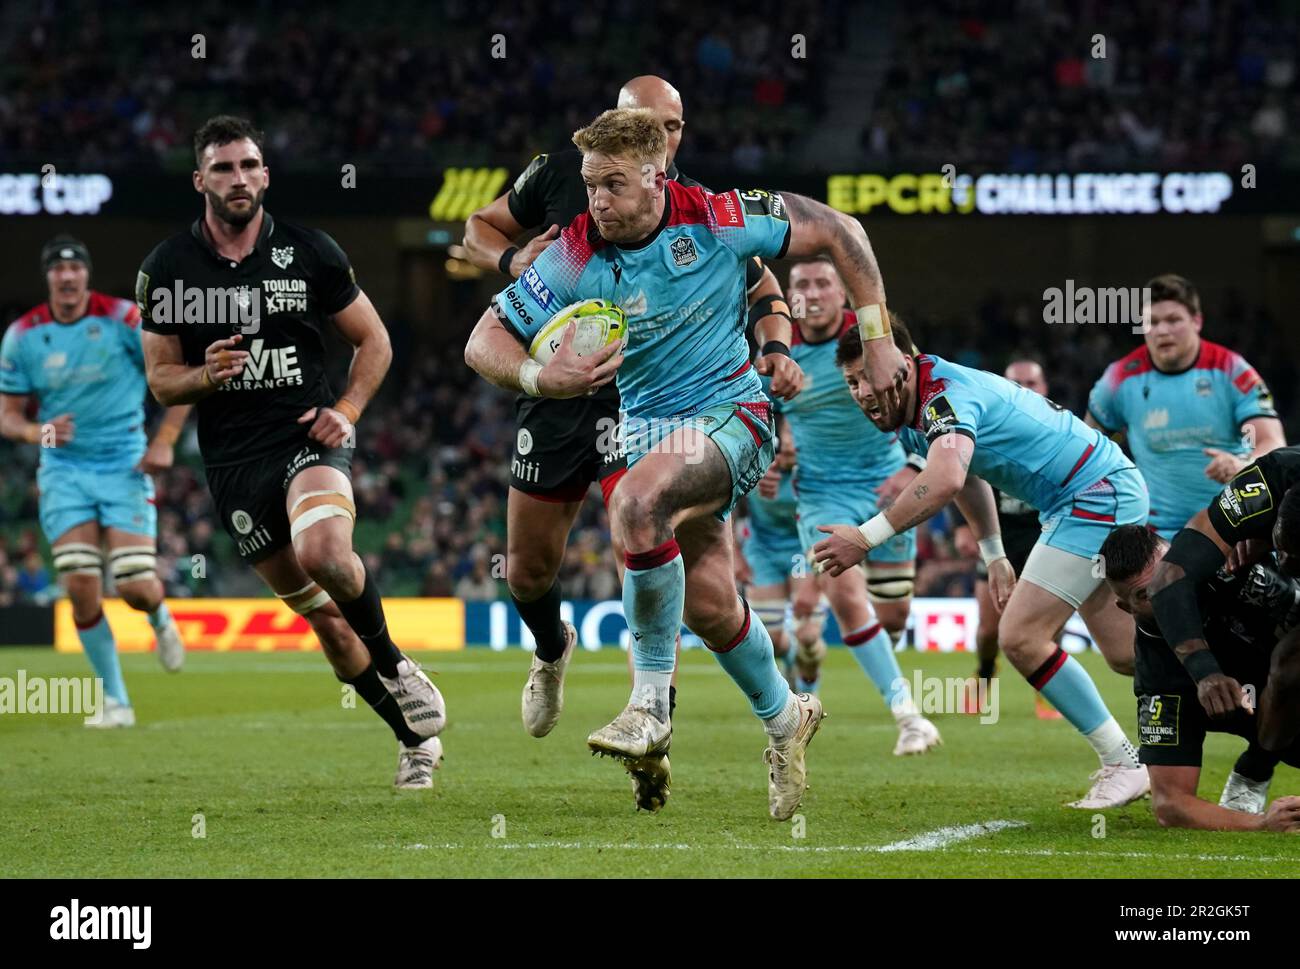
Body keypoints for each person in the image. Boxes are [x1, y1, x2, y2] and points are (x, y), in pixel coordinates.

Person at [466, 107, 895, 819]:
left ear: (656, 177)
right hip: (647, 432)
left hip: (734, 417)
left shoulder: (721, 216)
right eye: (589, 185)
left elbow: (842, 230)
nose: (597, 200)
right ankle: (788, 717)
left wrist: (875, 336)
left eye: (613, 185)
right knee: (710, 603)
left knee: (634, 504)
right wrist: (547, 380)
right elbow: (486, 337)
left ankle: (648, 706)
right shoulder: (572, 253)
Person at [137, 115, 446, 788]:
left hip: (307, 436)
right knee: (329, 628)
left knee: (325, 552)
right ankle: (413, 740)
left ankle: (394, 659)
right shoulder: (167, 269)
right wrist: (205, 375)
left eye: (249, 165)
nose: (239, 178)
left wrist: (348, 410)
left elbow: (376, 341)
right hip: (233, 465)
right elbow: (163, 381)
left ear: (266, 174)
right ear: (200, 180)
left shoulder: (311, 252)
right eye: (222, 168)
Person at [815, 324, 1151, 808]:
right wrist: (994, 555)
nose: (863, 391)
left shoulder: (942, 397)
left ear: (904, 362)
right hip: (1087, 494)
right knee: (1126, 654)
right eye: (851, 382)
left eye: (869, 375)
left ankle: (1123, 762)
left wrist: (865, 537)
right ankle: (1231, 669)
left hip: (1092, 495)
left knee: (1020, 637)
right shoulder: (915, 413)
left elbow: (947, 477)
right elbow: (969, 476)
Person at [1, 236, 190, 728]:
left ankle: (160, 618)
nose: (67, 277)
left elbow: (181, 375)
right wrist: (35, 432)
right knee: (81, 585)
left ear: (85, 276)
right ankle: (116, 702)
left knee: (133, 585)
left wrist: (165, 440)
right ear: (48, 279)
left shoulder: (125, 319)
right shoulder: (23, 335)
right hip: (64, 473)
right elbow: (8, 416)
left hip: (125, 465)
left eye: (75, 269)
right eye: (58, 270)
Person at [778, 258, 939, 755]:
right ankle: (909, 718)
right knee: (847, 599)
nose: (812, 292)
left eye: (823, 282)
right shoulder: (776, 349)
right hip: (823, 494)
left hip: (886, 485)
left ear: (843, 294)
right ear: (790, 295)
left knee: (892, 618)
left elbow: (926, 390)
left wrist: (914, 463)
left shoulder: (874, 338)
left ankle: (811, 651)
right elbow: (762, 415)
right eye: (801, 284)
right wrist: (768, 454)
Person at [1102, 525, 1300, 830]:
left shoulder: (1236, 567)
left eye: (1167, 576)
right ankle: (1258, 762)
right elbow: (1170, 804)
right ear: (1125, 608)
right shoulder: (1159, 676)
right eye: (1146, 594)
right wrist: (1260, 824)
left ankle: (1255, 767)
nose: (1166, 593)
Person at [1087, 273, 1284, 541]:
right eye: (1152, 322)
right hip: (1153, 535)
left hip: (1230, 526)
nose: (1162, 330)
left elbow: (1271, 441)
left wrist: (1244, 463)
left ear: (1197, 321)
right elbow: (1088, 447)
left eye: (1173, 320)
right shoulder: (1119, 378)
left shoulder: (1231, 370)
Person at [1149, 444, 1300, 755]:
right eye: (1282, 547)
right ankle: (1258, 766)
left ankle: (1254, 768)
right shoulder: (1269, 479)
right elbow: (1171, 574)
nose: (1284, 562)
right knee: (1284, 670)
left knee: (1290, 662)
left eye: (1297, 560)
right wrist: (1205, 672)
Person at [953, 359, 1063, 719]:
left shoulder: (1062, 429)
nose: (1027, 388)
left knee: (1050, 626)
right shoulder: (985, 426)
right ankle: (985, 676)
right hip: (997, 539)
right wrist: (963, 527)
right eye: (1018, 382)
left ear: (1045, 388)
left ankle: (1050, 692)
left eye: (1033, 381)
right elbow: (960, 473)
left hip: (1045, 536)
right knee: (988, 630)